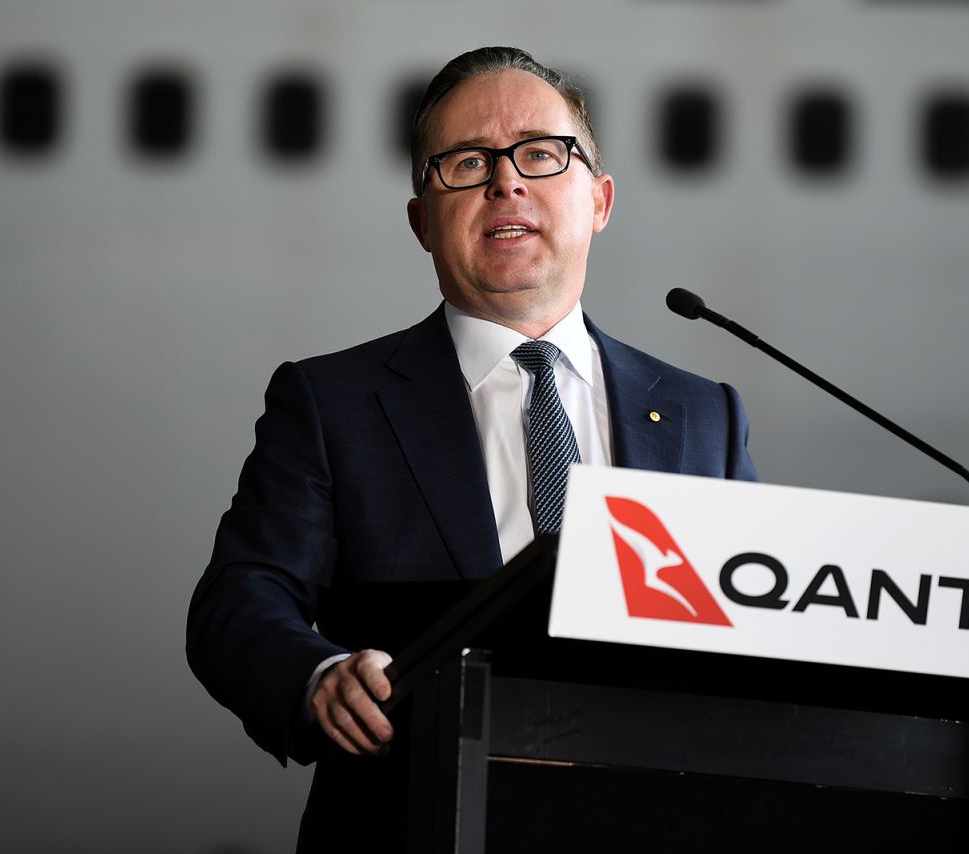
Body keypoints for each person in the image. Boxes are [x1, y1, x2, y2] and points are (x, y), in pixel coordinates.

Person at [186, 46, 757, 852]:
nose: (506, 181)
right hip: (414, 819)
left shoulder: (704, 415)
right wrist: (318, 676)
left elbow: (756, 637)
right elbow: (237, 601)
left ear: (599, 200)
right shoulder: (334, 404)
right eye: (464, 161)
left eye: (540, 153)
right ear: (422, 220)